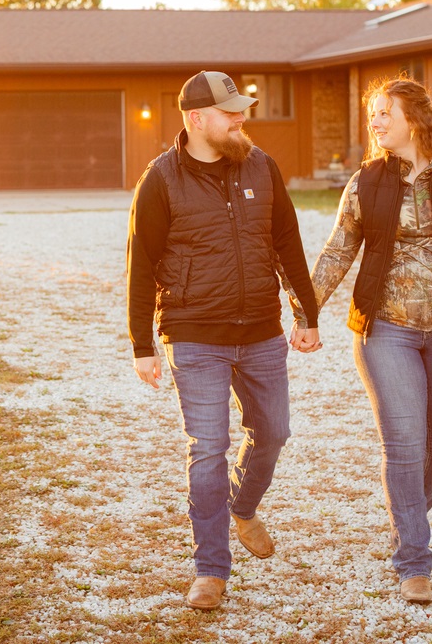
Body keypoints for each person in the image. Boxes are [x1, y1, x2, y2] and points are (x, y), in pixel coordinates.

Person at [292, 76, 432, 604]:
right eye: (372, 114)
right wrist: (307, 312)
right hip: (385, 330)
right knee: (403, 442)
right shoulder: (366, 181)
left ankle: (405, 519)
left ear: (414, 120)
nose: (373, 122)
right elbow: (336, 252)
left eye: (382, 113)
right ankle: (414, 560)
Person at [126, 69, 321, 611]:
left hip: (261, 329)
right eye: (230, 111)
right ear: (196, 119)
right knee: (208, 448)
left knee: (274, 432)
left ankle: (243, 505)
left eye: (242, 109)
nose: (241, 118)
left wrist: (306, 312)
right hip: (194, 335)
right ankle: (210, 569)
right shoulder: (161, 179)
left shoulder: (262, 166)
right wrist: (142, 344)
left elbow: (287, 242)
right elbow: (140, 266)